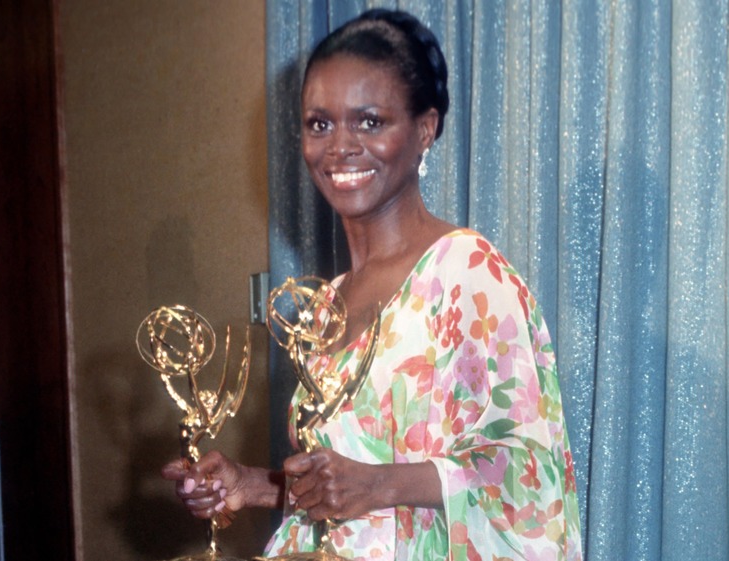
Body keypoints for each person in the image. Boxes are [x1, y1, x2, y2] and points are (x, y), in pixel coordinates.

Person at [162, 8, 583, 560]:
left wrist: (378, 483)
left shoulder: (465, 271)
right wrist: (252, 485)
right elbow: (345, 481)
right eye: (320, 123)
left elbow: (529, 470)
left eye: (369, 121)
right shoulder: (325, 303)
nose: (339, 147)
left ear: (425, 129)